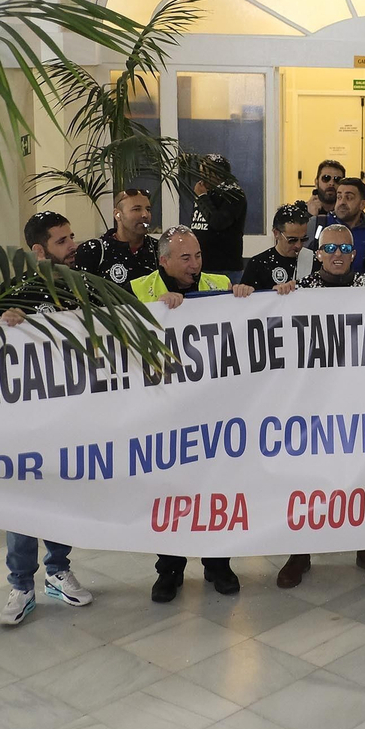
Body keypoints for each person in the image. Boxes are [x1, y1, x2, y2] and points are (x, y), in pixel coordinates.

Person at [271, 224, 365, 589]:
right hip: (313, 402)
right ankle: (300, 551)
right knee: (307, 475)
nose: (338, 254)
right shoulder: (299, 291)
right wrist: (277, 298)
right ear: (317, 253)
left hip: (362, 399)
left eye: (345, 248)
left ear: (354, 253)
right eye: (330, 248)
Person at [0, 210, 100, 624]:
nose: (73, 246)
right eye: (62, 241)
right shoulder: (14, 291)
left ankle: (58, 570)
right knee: (22, 501)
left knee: (60, 494)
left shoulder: (84, 286)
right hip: (24, 421)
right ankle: (21, 585)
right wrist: (4, 323)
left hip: (71, 415)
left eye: (72, 237)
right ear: (38, 250)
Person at [131, 227, 242, 601]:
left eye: (197, 256)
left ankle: (218, 564)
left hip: (211, 407)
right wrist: (159, 309)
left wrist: (243, 295)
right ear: (163, 261)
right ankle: (170, 569)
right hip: (166, 409)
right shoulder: (140, 289)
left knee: (215, 487)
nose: (195, 264)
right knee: (170, 491)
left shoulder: (218, 283)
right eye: (185, 258)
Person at [72, 188, 157, 286]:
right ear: (117, 214)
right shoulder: (93, 251)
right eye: (137, 209)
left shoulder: (159, 250)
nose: (145, 215)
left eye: (148, 209)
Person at [187, 153, 248, 277]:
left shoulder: (234, 194)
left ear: (219, 174)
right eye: (200, 172)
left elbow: (218, 222)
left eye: (206, 173)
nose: (202, 178)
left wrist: (202, 197)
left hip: (224, 268)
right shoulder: (205, 192)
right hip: (200, 266)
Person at [241, 202, 312, 291]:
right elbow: (248, 297)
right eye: (292, 240)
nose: (298, 245)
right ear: (276, 234)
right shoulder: (258, 265)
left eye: (303, 239)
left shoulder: (314, 262)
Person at [319, 177, 365, 273]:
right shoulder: (318, 224)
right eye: (339, 197)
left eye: (349, 198)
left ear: (362, 204)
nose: (342, 202)